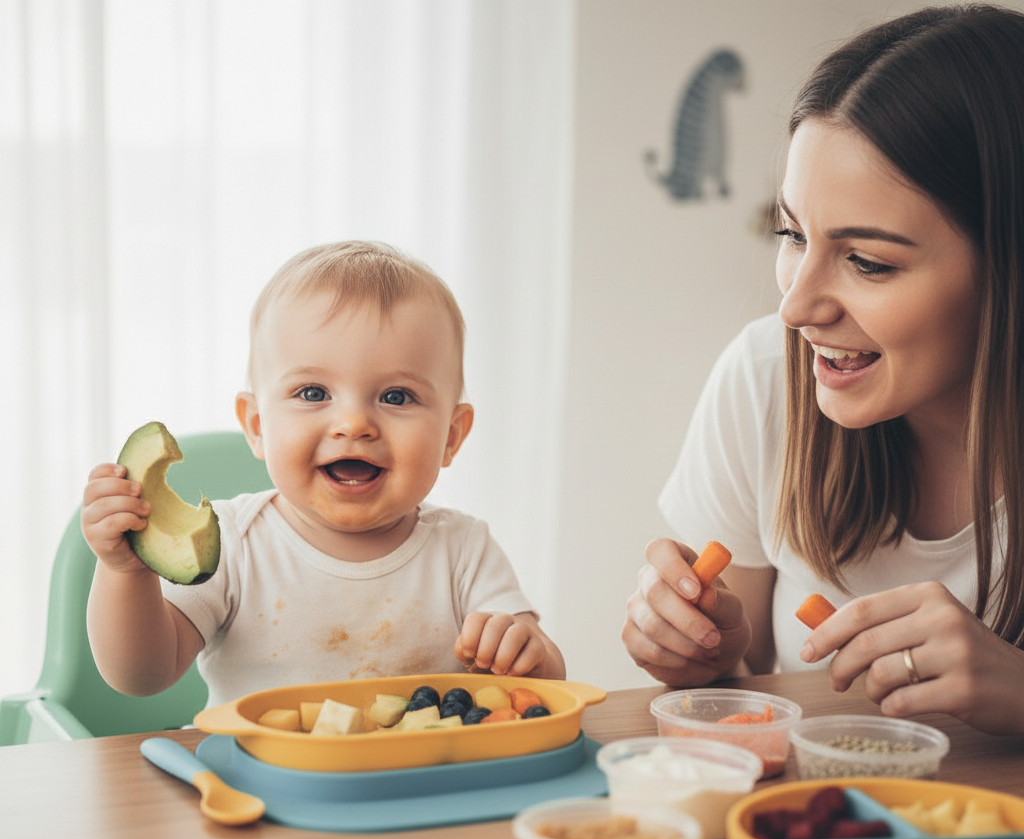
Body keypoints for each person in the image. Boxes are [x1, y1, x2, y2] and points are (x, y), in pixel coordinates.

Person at [622, 5, 1024, 736]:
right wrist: (708, 651)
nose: (795, 308)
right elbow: (751, 686)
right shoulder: (765, 380)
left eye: (867, 261)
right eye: (793, 234)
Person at [82, 240, 565, 705]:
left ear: (452, 437)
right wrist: (126, 573)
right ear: (257, 426)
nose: (354, 423)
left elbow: (546, 681)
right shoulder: (234, 543)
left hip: (424, 764)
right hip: (257, 765)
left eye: (396, 396)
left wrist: (524, 652)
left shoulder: (464, 550)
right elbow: (142, 675)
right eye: (313, 393)